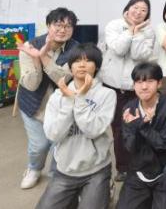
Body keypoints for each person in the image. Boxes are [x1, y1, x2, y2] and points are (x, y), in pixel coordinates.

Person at [36, 43, 116, 209]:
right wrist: (68, 100)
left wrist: (79, 98)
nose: (82, 65)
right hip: (65, 171)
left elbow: (92, 131)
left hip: (96, 170)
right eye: (77, 61)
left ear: (97, 66)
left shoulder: (107, 94)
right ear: (70, 67)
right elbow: (53, 135)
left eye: (88, 60)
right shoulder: (58, 96)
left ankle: (105, 189)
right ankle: (73, 198)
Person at [16, 7, 79, 189]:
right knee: (39, 145)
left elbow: (63, 78)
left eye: (68, 26)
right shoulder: (29, 46)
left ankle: (57, 174)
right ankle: (34, 169)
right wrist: (36, 58)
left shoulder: (76, 49)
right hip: (34, 105)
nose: (62, 30)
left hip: (61, 106)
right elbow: (31, 84)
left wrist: (43, 56)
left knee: (58, 144)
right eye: (58, 25)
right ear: (48, 26)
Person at [99, 0, 155, 181]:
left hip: (135, 88)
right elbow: (119, 49)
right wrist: (130, 30)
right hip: (112, 86)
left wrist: (137, 33)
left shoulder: (148, 32)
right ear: (128, 8)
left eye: (143, 10)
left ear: (147, 14)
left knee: (138, 126)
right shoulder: (114, 25)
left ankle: (139, 164)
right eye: (135, 7)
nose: (138, 12)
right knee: (118, 128)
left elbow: (139, 55)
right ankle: (123, 167)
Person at [117, 62, 166, 209]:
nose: (144, 87)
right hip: (138, 171)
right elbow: (130, 147)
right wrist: (137, 125)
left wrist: (142, 125)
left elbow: (163, 144)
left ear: (159, 83)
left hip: (164, 172)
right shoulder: (129, 108)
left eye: (150, 81)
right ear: (134, 85)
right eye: (139, 82)